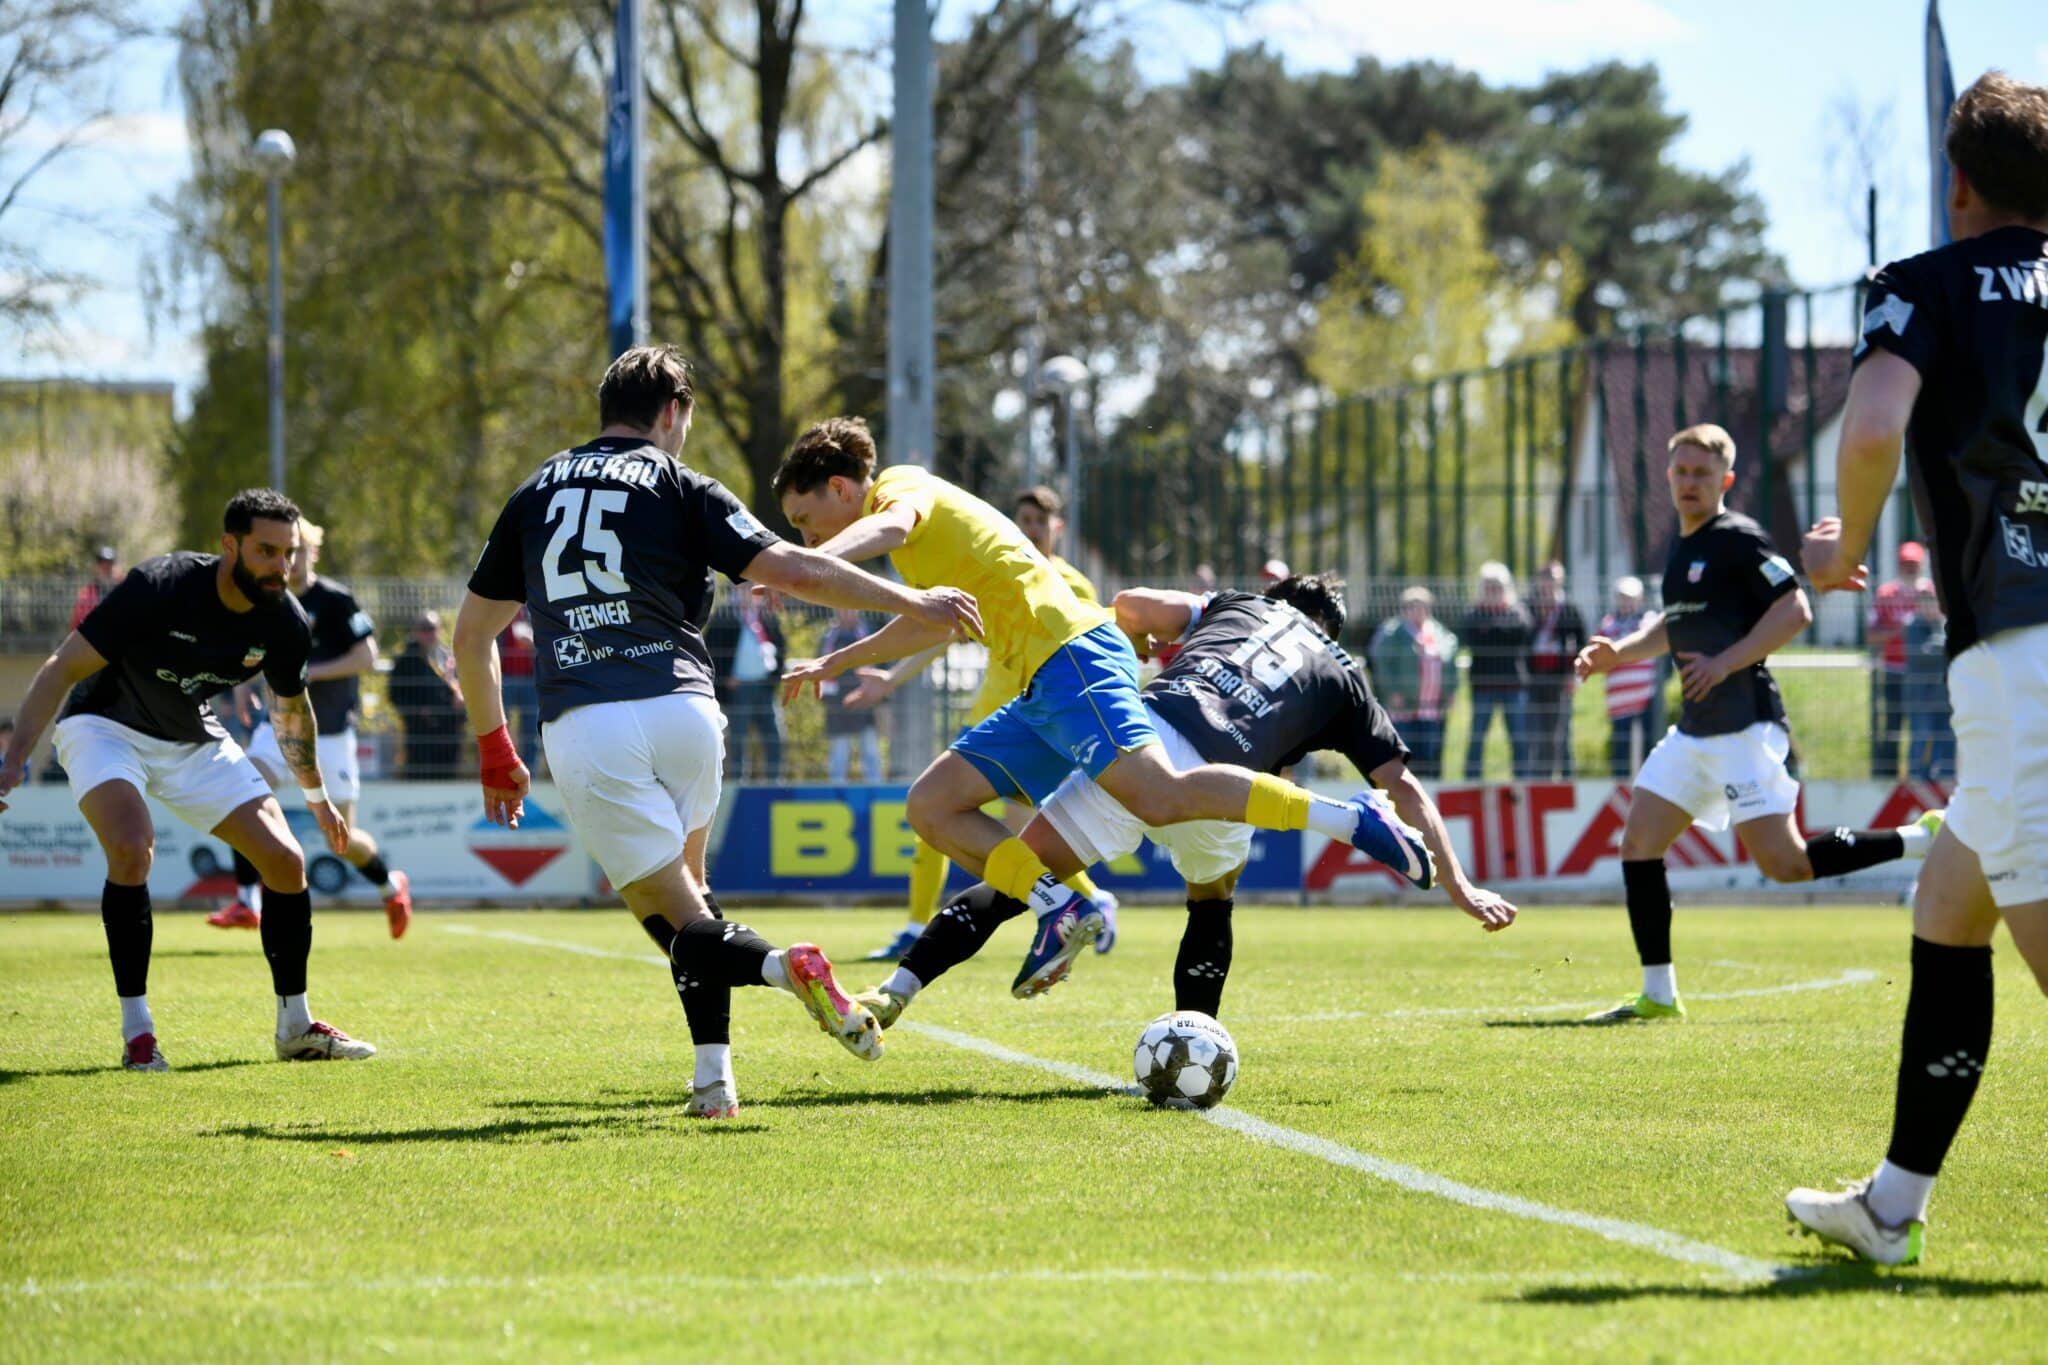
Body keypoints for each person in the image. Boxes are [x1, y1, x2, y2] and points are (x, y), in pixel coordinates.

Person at [451, 344, 983, 1119]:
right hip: (687, 712)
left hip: (590, 724)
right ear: (673, 412)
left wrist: (494, 746)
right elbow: (796, 571)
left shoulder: (534, 491)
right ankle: (714, 1083)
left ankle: (781, 966)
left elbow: (473, 637)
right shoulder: (680, 482)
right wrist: (913, 602)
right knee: (694, 911)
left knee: (676, 918)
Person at [775, 417, 1427, 1002]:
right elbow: (935, 623)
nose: (808, 535)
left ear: (840, 488)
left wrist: (803, 562)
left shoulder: (900, 488)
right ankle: (1054, 904)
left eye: (806, 521)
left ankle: (1351, 818)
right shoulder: (915, 551)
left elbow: (890, 525)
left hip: (1073, 656)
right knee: (932, 804)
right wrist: (834, 663)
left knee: (1161, 795)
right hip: (1041, 684)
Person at [1787, 72, 2048, 1265]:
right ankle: (1891, 1207)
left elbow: (1874, 427)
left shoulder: (1921, 284)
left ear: (1954, 183)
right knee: (1947, 906)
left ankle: (1892, 1206)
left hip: (2021, 645)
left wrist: (1843, 539)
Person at [854, 574, 1514, 1032]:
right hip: (1226, 784)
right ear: (1331, 629)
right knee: (1211, 899)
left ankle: (895, 993)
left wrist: (1149, 646)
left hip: (1146, 741)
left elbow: (1131, 604)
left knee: (1017, 872)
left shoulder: (1235, 605)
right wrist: (1458, 882)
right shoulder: (1343, 676)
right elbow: (1402, 783)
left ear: (1271, 598)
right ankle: (1196, 1038)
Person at [1575, 423, 1940, 1024]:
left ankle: (1920, 839)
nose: (1690, 482)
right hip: (1694, 731)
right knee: (1639, 842)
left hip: (1745, 726)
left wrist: (1724, 662)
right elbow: (1674, 623)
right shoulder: (1682, 547)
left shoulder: (1737, 539)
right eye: (1681, 471)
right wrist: (1621, 651)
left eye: (1701, 473)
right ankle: (1658, 995)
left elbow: (1794, 606)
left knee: (1785, 865)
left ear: (1727, 479)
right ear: (1667, 476)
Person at [0, 489, 375, 1069]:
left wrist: (317, 798)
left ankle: (296, 1027)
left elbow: (292, 714)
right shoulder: (161, 585)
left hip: (190, 736)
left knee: (285, 861)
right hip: (105, 724)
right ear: (230, 545)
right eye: (266, 551)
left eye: (289, 553)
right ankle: (138, 1033)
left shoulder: (286, 622)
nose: (281, 567)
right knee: (131, 848)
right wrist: (12, 759)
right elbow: (62, 667)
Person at [843, 484, 1121, 963]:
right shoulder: (998, 568)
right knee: (932, 817)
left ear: (1057, 528)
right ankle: (914, 927)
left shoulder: (1072, 585)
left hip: (1036, 720)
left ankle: (1089, 900)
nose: (1030, 530)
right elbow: (945, 630)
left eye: (1039, 522)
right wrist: (889, 679)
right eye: (1023, 521)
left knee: (1024, 833)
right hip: (987, 716)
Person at [226, 519, 412, 937]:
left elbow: (366, 655)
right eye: (278, 553)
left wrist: (312, 671)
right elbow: (252, 652)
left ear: (313, 553)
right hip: (279, 725)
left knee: (339, 841)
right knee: (242, 791)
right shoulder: (268, 598)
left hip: (330, 734)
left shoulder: (336, 600)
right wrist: (241, 688)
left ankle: (390, 884)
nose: (288, 562)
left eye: (296, 551)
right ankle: (245, 901)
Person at [1368, 586, 1457, 779]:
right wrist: (1391, 692)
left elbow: (1451, 664)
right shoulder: (1392, 633)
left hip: (1432, 708)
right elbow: (1382, 664)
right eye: (1413, 607)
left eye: (1423, 606)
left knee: (1432, 754)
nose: (1419, 611)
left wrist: (1450, 690)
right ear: (1404, 609)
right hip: (1403, 708)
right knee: (1406, 754)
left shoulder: (1439, 632)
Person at [1459, 562, 1531, 779]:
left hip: (1513, 685)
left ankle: (1523, 780)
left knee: (1519, 737)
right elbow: (1474, 641)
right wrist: (1499, 630)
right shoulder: (1473, 614)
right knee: (1477, 736)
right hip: (1483, 685)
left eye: (1497, 586)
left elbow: (1521, 636)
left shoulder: (1518, 612)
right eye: (1489, 586)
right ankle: (1471, 779)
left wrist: (1492, 629)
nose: (1493, 591)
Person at [706, 588, 785, 779]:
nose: (747, 593)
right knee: (737, 739)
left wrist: (774, 678)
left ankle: (775, 782)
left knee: (773, 737)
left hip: (764, 687)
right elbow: (711, 651)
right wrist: (724, 678)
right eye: (743, 588)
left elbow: (780, 646)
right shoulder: (724, 616)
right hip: (738, 689)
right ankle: (738, 782)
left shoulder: (765, 615)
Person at [1866, 541, 1928, 778]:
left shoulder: (1931, 593)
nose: (1910, 568)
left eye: (1914, 564)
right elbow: (1871, 635)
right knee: (1892, 725)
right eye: (1905, 564)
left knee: (1922, 725)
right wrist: (1901, 630)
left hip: (1923, 672)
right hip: (1893, 669)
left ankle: (1919, 773)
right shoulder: (1886, 594)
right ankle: (1886, 775)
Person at [1522, 561, 1586, 779]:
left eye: (1553, 580)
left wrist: (1575, 676)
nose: (1548, 585)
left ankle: (1565, 776)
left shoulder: (1569, 609)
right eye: (1545, 580)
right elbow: (1523, 640)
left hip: (1560, 679)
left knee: (1559, 732)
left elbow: (1580, 644)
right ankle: (1539, 777)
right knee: (1535, 730)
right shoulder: (1530, 608)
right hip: (1534, 679)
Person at [1598, 576, 1662, 778]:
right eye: (1623, 598)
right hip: (1620, 699)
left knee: (1650, 746)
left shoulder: (1650, 621)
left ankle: (1649, 784)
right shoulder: (1607, 625)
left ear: (1640, 599)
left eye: (1631, 598)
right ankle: (1621, 787)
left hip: (1647, 694)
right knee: (1621, 748)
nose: (1626, 602)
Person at [388, 612, 466, 778]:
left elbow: (461, 684)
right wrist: (418, 711)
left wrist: (460, 699)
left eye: (432, 628)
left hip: (449, 730)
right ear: (415, 631)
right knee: (419, 775)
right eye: (424, 629)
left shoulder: (447, 657)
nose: (429, 633)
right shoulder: (405, 660)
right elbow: (395, 695)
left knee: (447, 776)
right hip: (420, 732)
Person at [818, 609, 883, 781]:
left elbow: (881, 664)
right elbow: (820, 668)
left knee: (870, 751)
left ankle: (875, 791)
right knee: (839, 754)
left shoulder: (868, 634)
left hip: (864, 700)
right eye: (843, 610)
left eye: (851, 609)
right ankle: (836, 795)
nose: (848, 613)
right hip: (837, 705)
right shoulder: (829, 637)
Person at [1901, 582, 1955, 782]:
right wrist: (1944, 645)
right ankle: (1917, 777)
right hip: (1920, 697)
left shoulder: (1944, 624)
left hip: (1944, 697)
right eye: (1924, 602)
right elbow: (1921, 655)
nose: (1929, 606)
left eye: (1932, 601)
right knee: (1921, 738)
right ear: (1918, 604)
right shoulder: (1912, 625)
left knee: (1947, 738)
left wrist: (1940, 646)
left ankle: (1946, 776)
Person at [497, 607, 541, 774]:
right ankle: (503, 771)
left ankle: (531, 773)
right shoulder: (497, 610)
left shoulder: (532, 610)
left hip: (530, 679)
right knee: (500, 728)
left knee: (531, 731)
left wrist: (533, 643)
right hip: (504, 679)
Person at [68, 546, 119, 630]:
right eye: (102, 563)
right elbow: (76, 627)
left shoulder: (124, 592)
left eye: (110, 563)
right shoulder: (84, 595)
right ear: (96, 566)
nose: (106, 567)